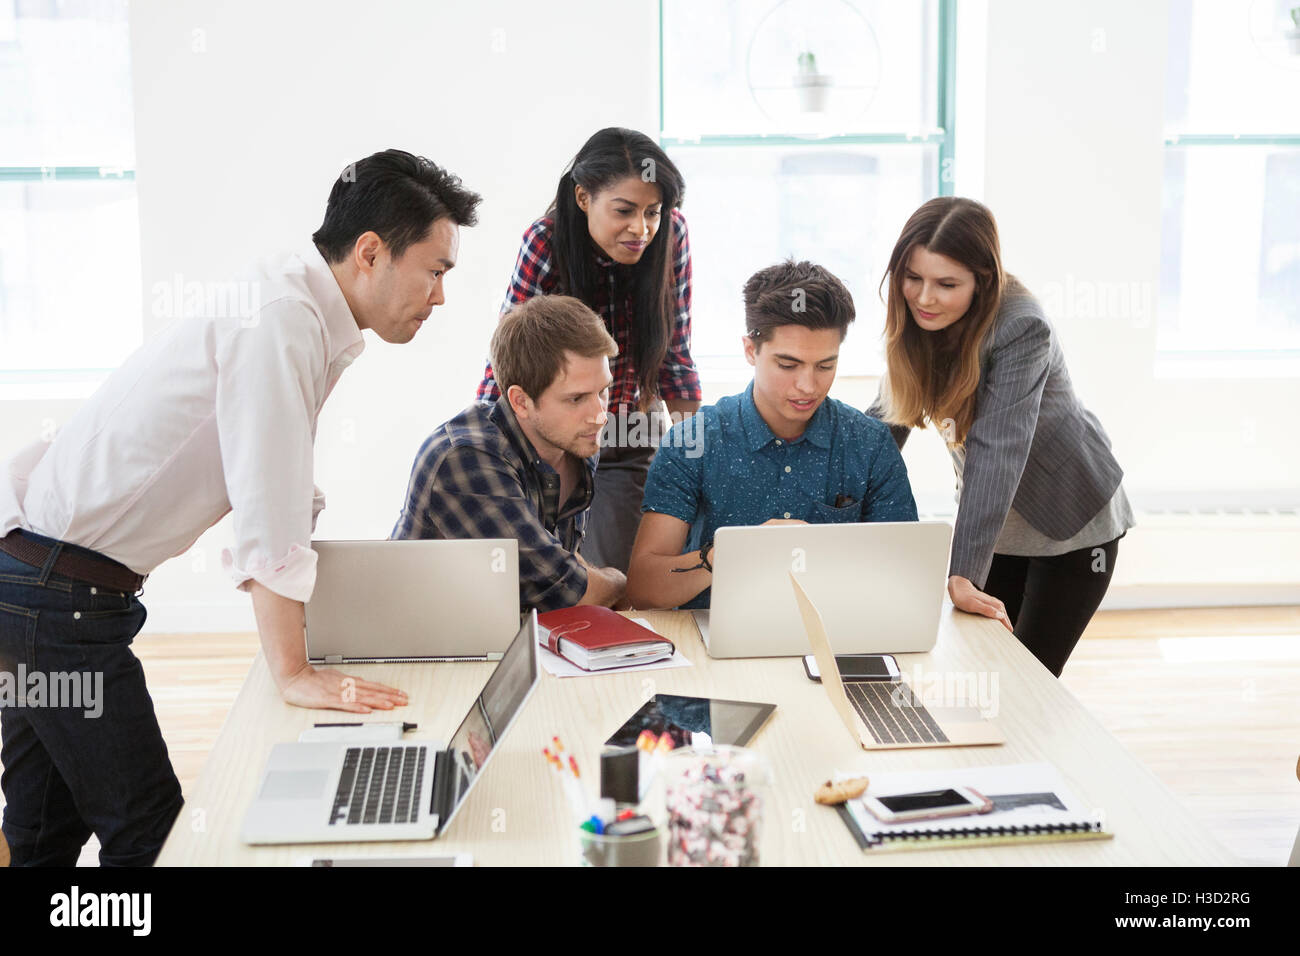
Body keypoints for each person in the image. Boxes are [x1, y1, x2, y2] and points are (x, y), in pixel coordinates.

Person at [0, 149, 481, 866]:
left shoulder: (295, 307)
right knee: (154, 841)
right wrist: (293, 671)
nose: (440, 296)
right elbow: (269, 508)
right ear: (371, 253)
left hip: (38, 583)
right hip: (56, 597)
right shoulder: (282, 316)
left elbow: (279, 482)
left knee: (43, 835)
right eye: (437, 271)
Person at [868, 197, 1134, 677]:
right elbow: (887, 420)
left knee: (1028, 681)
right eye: (914, 278)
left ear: (983, 280)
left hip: (1071, 522)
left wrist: (962, 571)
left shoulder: (1021, 326)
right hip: (1000, 525)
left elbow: (997, 449)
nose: (925, 297)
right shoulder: (922, 319)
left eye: (946, 284)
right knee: (984, 671)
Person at [627, 260, 918, 610]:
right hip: (712, 642)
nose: (807, 386)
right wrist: (735, 553)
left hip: (838, 635)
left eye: (826, 365)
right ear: (751, 350)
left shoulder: (870, 444)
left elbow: (907, 579)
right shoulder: (691, 442)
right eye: (788, 364)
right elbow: (643, 589)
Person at [475, 127, 701, 574]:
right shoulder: (545, 240)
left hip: (626, 434)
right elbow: (507, 359)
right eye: (624, 211)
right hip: (550, 438)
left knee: (623, 577)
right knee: (545, 578)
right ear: (583, 198)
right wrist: (488, 451)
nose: (641, 229)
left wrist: (693, 456)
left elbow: (675, 357)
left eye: (653, 212)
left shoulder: (671, 234)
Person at [392, 295, 626, 612]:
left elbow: (559, 576)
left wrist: (582, 577)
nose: (600, 415)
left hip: (502, 635)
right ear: (520, 402)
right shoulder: (464, 458)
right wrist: (618, 581)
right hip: (422, 651)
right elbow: (569, 592)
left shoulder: (576, 441)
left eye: (603, 391)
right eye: (576, 399)